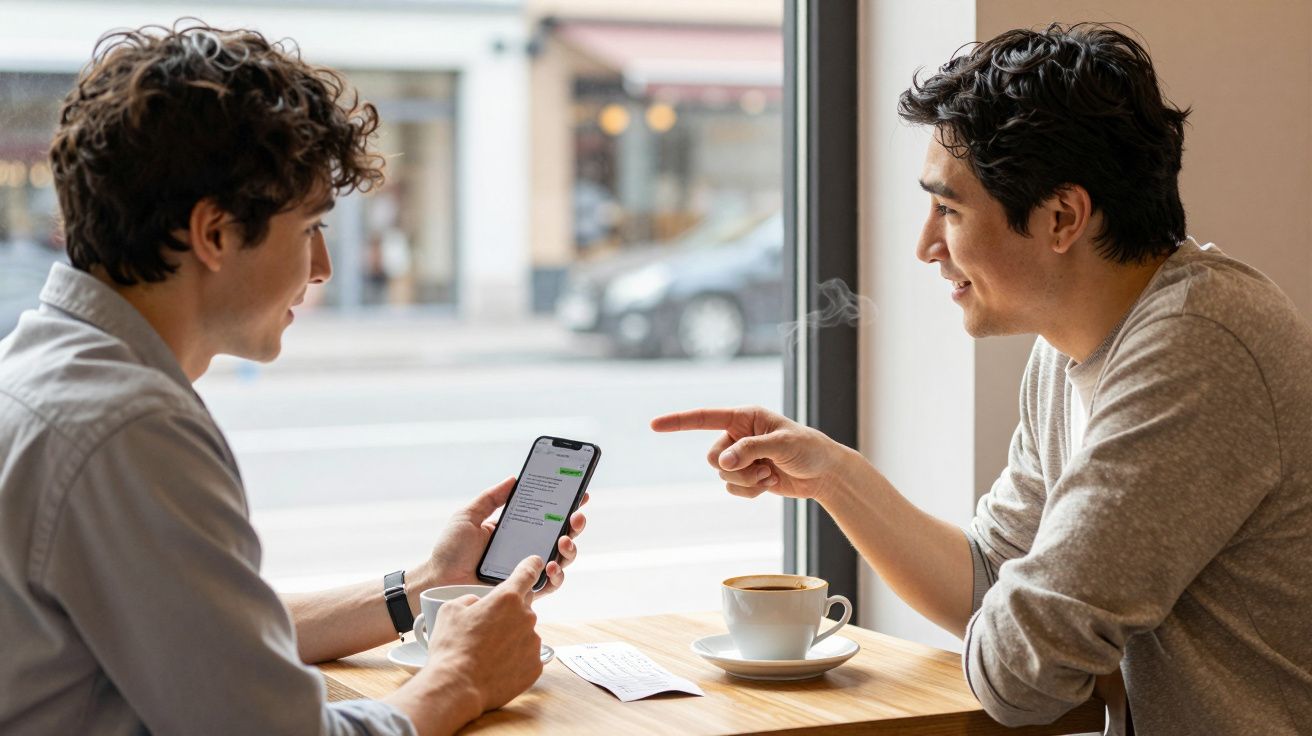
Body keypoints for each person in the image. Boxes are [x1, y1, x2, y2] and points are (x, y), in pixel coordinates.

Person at [653, 23, 1311, 734]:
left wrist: (1036, 617)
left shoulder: (1198, 350)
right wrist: (831, 476)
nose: (925, 246)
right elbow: (991, 581)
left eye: (949, 209)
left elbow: (1023, 673)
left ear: (1062, 217)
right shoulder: (1067, 353)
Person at [0, 23, 586, 736]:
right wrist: (460, 678)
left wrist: (424, 586)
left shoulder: (47, 372)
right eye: (309, 227)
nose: (323, 269)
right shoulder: (128, 426)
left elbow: (207, 638)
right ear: (214, 234)